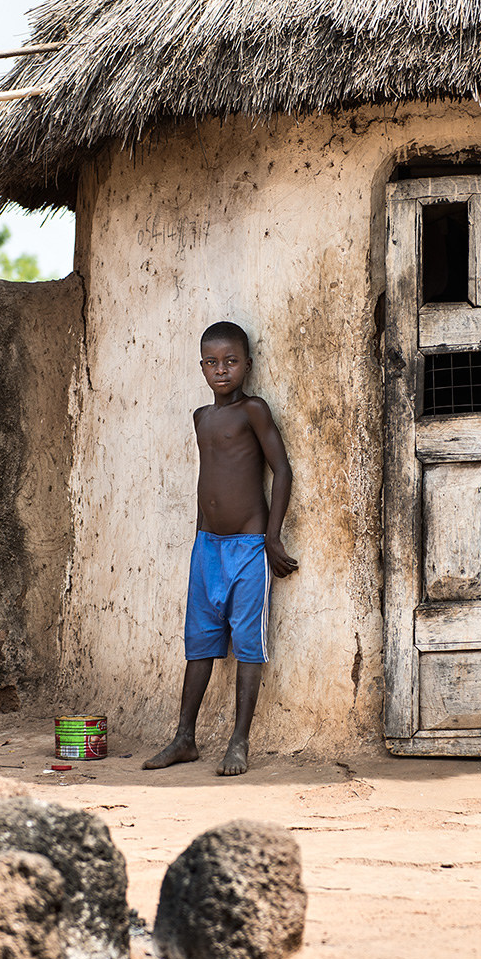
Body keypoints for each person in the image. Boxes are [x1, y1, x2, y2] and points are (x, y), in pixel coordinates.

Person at [144, 320, 297, 776]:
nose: (222, 370)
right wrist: (197, 538)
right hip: (208, 547)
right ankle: (184, 738)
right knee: (199, 645)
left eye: (231, 361)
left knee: (249, 645)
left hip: (249, 546)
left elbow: (282, 471)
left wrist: (271, 536)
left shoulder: (254, 410)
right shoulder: (201, 418)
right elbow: (204, 481)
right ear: (201, 368)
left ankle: (238, 742)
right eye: (212, 363)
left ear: (247, 364)